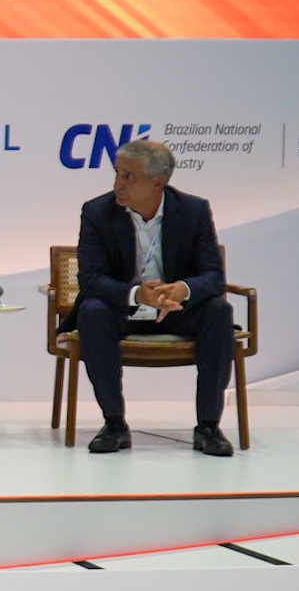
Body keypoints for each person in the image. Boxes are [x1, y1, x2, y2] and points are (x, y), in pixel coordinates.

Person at [68, 138, 234, 455]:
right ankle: (114, 424)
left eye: (129, 177)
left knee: (219, 311)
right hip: (124, 310)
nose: (118, 184)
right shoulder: (97, 212)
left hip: (176, 310)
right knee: (92, 311)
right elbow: (91, 279)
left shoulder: (194, 211)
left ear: (158, 183)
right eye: (117, 173)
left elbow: (213, 276)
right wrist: (137, 295)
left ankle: (208, 427)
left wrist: (181, 289)